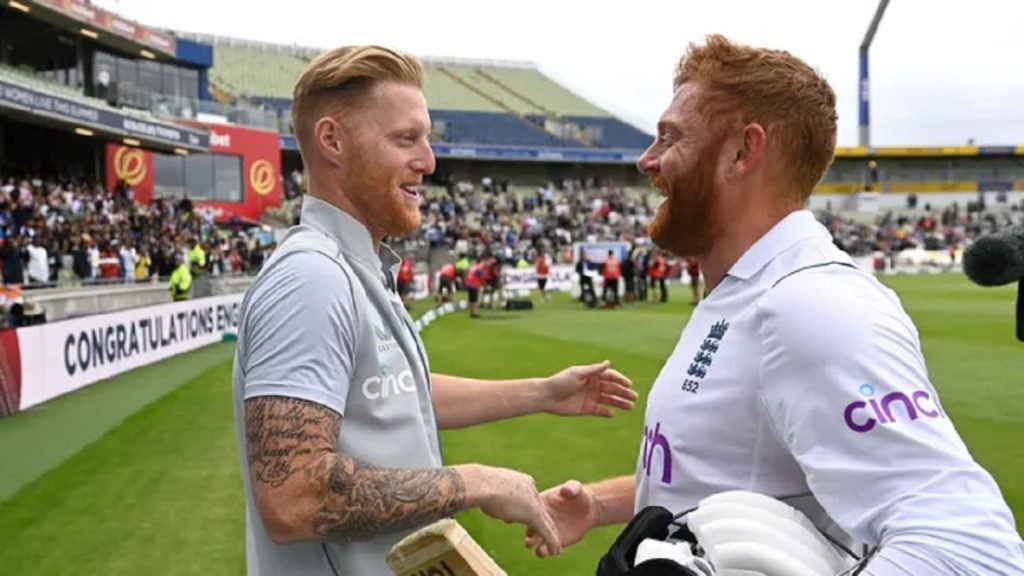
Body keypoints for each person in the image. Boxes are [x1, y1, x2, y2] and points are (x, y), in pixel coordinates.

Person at [526, 34, 1024, 574]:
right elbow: (740, 473)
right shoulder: (748, 288)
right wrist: (600, 504)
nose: (647, 160)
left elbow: (969, 546)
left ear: (743, 151)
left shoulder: (812, 304)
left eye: (670, 138)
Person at [232, 45, 639, 576]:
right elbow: (293, 496)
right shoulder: (312, 278)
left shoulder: (357, 270)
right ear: (332, 140)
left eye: (426, 139)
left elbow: (394, 396)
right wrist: (476, 482)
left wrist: (542, 393)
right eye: (405, 139)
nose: (429, 162)